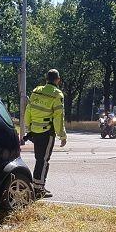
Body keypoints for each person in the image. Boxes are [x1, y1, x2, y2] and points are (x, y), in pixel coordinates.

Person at [24, 69, 67, 198]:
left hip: (35, 131)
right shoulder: (57, 95)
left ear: (46, 79)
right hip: (47, 132)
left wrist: (29, 128)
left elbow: (28, 111)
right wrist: (62, 135)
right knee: (43, 161)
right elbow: (58, 117)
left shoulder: (36, 91)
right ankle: (38, 189)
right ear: (58, 80)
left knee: (39, 160)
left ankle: (36, 185)